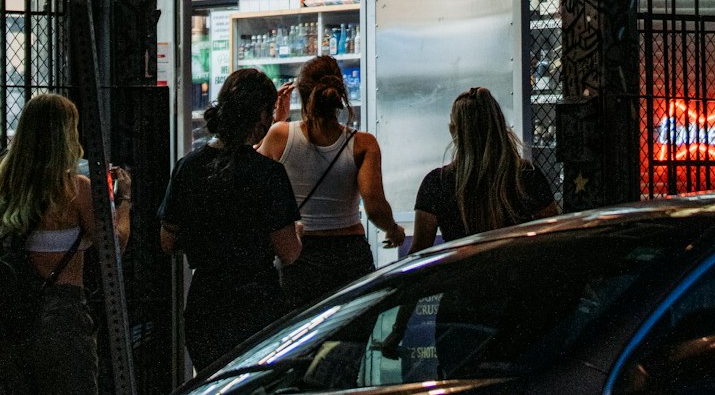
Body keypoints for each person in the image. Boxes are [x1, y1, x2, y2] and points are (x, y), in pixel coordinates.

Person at [0, 91, 131, 395]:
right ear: (66, 134)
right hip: (64, 316)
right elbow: (114, 249)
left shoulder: (3, 186)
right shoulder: (78, 190)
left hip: (14, 319)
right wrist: (123, 200)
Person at [159, 68, 300, 374]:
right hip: (257, 305)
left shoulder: (188, 167)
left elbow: (167, 241)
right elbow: (289, 252)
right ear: (261, 115)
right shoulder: (269, 175)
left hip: (206, 303)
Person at [258, 55, 404, 312]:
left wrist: (276, 121)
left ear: (302, 95)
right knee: (349, 345)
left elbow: (251, 170)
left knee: (301, 346)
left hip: (300, 256)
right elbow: (375, 206)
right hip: (350, 257)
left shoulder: (280, 135)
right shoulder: (363, 144)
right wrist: (393, 229)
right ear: (339, 92)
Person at [409, 86, 557, 252]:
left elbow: (419, 253)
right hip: (515, 273)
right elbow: (552, 238)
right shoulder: (527, 176)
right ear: (499, 126)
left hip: (462, 274)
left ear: (454, 131)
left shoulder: (437, 183)